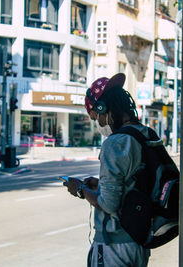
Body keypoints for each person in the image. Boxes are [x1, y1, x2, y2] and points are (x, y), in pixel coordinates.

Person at [63, 73, 151, 267]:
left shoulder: (115, 143)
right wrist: (101, 184)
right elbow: (133, 182)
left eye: (96, 118)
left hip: (115, 246)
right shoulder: (144, 133)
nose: (99, 125)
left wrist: (80, 189)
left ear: (103, 108)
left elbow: (109, 205)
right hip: (139, 245)